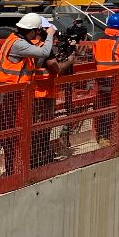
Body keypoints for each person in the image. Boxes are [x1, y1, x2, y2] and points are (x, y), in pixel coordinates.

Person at [0, 12, 54, 182]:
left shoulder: (16, 40)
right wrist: (50, 35)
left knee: (7, 133)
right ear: (32, 31)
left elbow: (35, 61)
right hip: (10, 95)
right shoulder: (19, 44)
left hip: (12, 94)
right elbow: (44, 52)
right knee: (6, 134)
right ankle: (0, 173)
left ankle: (8, 170)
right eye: (37, 31)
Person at [92, 11, 119, 145]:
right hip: (117, 80)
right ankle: (110, 137)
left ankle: (103, 136)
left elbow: (95, 57)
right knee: (114, 109)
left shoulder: (99, 40)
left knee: (103, 107)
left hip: (101, 78)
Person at [31, 33, 75, 169]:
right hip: (42, 93)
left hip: (37, 91)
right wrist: (70, 60)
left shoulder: (26, 45)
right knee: (41, 127)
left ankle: (41, 154)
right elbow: (57, 68)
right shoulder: (42, 47)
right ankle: (37, 158)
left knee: (40, 126)